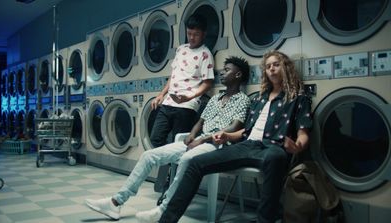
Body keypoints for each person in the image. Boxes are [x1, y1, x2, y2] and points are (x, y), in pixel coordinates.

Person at [84, 56, 251, 221]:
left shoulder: (242, 100)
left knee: (186, 159)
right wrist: (192, 136)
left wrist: (203, 140)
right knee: (148, 156)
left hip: (217, 145)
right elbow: (200, 121)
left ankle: (164, 209)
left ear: (238, 75)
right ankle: (116, 202)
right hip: (199, 141)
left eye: (227, 70)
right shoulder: (215, 98)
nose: (222, 72)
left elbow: (234, 127)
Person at [158, 50, 313, 223]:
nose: (272, 69)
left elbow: (303, 132)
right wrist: (226, 135)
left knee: (276, 158)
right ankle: (166, 220)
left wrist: (298, 146)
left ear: (286, 67)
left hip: (273, 147)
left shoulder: (298, 98)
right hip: (247, 145)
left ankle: (265, 219)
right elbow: (246, 132)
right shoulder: (260, 98)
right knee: (195, 163)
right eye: (268, 66)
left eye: (276, 65)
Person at [149, 13, 214, 195]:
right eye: (189, 33)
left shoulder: (205, 54)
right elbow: (173, 76)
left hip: (187, 106)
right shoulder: (181, 49)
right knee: (156, 137)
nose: (191, 37)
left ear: (203, 34)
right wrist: (160, 95)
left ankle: (173, 185)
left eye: (196, 34)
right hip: (169, 102)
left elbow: (207, 82)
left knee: (179, 144)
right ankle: (169, 166)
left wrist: (189, 96)